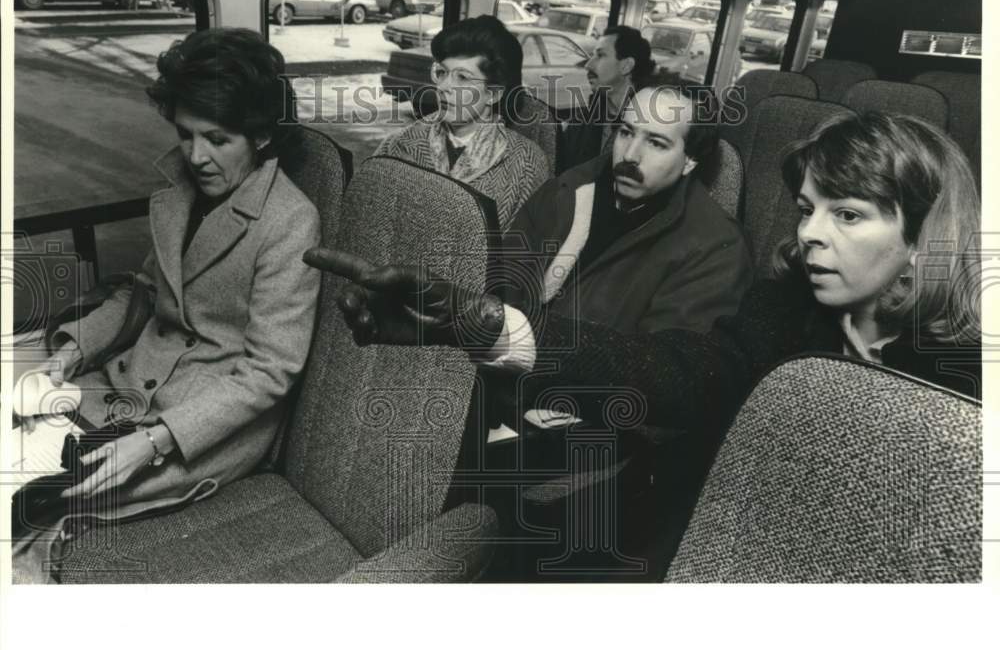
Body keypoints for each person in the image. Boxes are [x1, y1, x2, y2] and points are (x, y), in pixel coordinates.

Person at [308, 111, 982, 426]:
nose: (809, 234)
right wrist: (477, 324)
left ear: (924, 237)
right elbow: (678, 371)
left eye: (849, 216)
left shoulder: (967, 379)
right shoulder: (783, 307)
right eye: (807, 210)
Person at [15, 28, 321, 577]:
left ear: (261, 136)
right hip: (125, 387)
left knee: (26, 504)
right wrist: (70, 354)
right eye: (185, 135)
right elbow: (144, 293)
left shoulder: (290, 222)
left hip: (197, 426)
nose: (197, 157)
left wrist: (154, 441)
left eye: (218, 139)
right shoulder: (182, 193)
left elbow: (270, 371)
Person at [502, 76, 752, 338]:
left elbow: (660, 356)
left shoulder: (716, 250)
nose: (630, 155)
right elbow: (504, 279)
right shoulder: (568, 189)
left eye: (656, 143)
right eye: (626, 132)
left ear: (690, 160)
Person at [374, 14, 549, 229]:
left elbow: (525, 246)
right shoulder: (398, 145)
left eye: (462, 77)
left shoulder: (527, 165)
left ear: (493, 94)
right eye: (442, 73)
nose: (443, 87)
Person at [557, 25, 655, 173]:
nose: (588, 65)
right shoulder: (583, 121)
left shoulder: (649, 124)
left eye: (600, 55)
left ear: (626, 66)